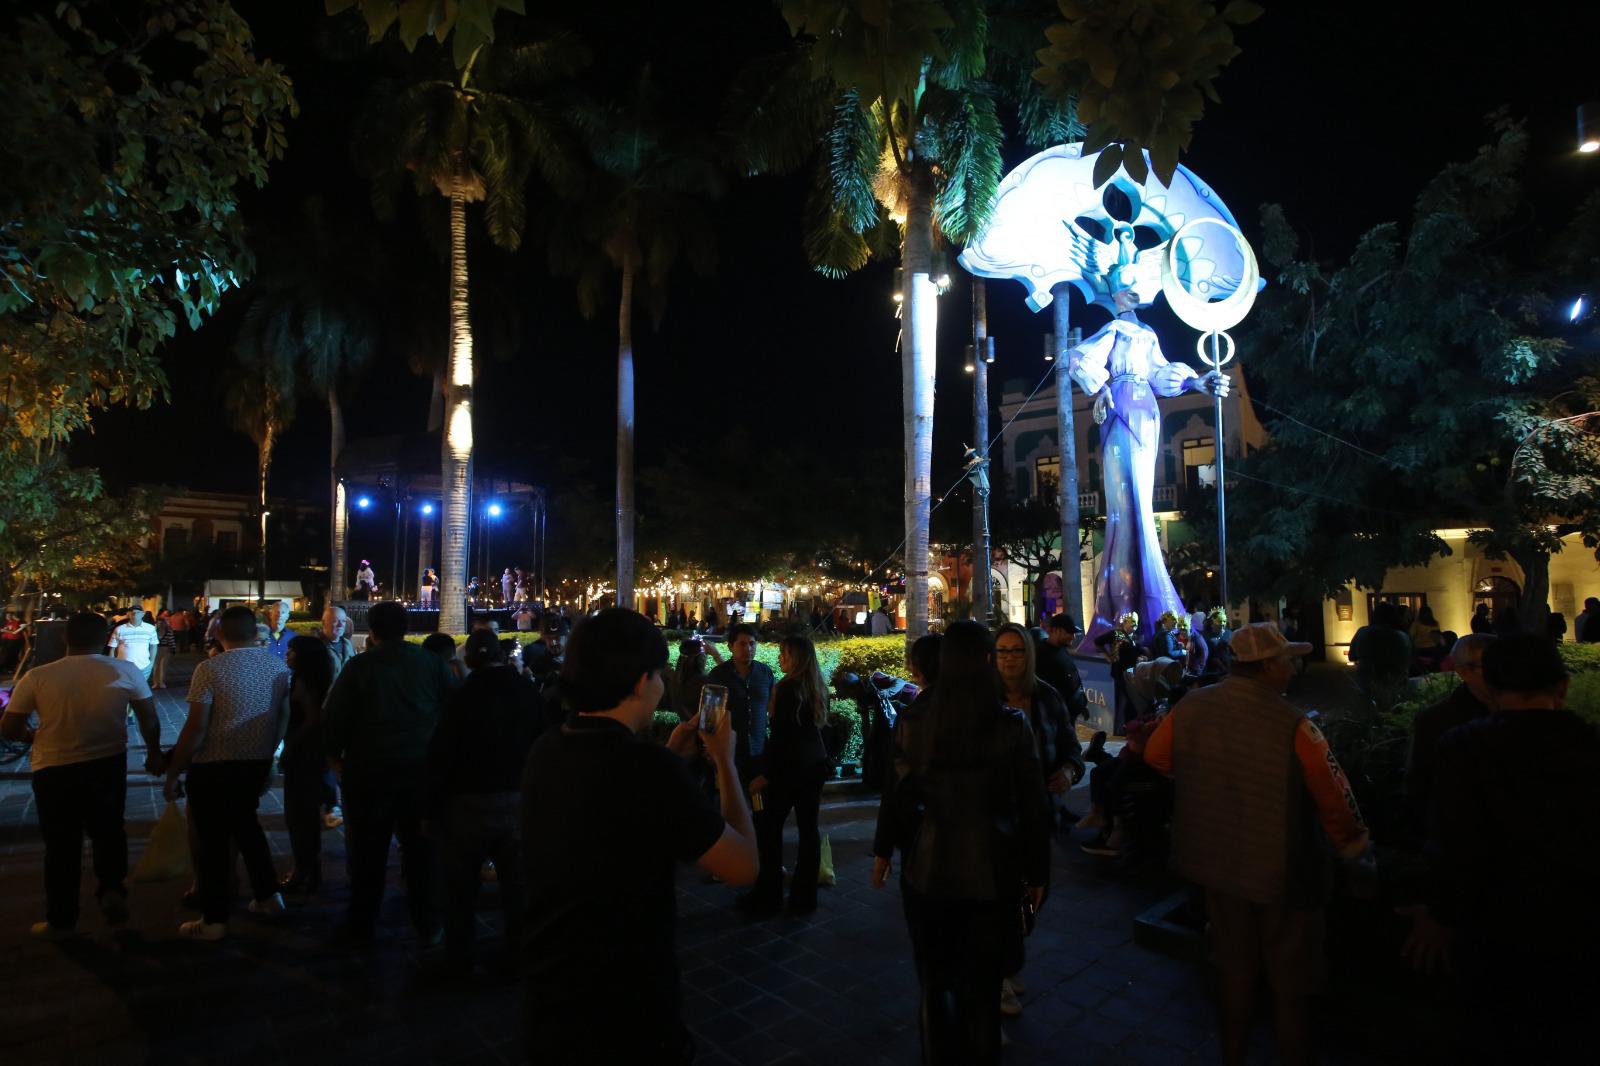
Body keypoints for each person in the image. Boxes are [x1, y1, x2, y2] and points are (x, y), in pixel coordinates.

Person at [521, 608, 758, 1063]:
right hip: (625, 1007)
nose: (663, 683)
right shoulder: (647, 770)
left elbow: (612, 813)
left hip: (550, 990)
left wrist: (668, 756)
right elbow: (743, 866)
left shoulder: (548, 747)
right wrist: (725, 762)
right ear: (638, 682)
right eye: (658, 672)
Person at [1144, 622, 1370, 1066]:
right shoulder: (1295, 724)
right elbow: (1336, 800)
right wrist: (1355, 849)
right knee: (1290, 983)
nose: (1293, 668)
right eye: (1287, 660)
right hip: (1281, 871)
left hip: (1216, 866)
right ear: (1267, 666)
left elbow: (1155, 755)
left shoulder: (1192, 707)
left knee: (1234, 973)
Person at [871, 620, 1051, 1066]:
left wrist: (884, 849)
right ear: (987, 660)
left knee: (935, 986)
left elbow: (898, 797)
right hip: (993, 869)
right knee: (983, 995)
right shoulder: (1010, 725)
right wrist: (1037, 872)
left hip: (929, 869)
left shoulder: (914, 723)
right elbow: (1032, 807)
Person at [1424, 634, 1600, 1064]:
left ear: (1492, 688)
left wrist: (1440, 913)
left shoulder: (1462, 748)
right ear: (1562, 686)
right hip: (1580, 932)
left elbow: (1454, 846)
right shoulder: (1589, 746)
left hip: (1492, 934)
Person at [1, 613, 164, 938]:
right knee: (109, 832)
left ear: (65, 638)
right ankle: (112, 890)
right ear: (106, 639)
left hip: (54, 768)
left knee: (61, 844)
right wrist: (155, 753)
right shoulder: (124, 669)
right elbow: (149, 718)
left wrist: (31, 736)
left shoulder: (38, 676)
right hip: (107, 763)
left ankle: (62, 919)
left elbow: (9, 726)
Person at [323, 601, 457, 945]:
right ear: (406, 626)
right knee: (420, 851)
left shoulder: (359, 667)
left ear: (373, 629)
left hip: (369, 773)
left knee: (367, 853)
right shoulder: (429, 663)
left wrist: (334, 759)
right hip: (420, 773)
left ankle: (363, 923)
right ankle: (428, 923)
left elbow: (335, 718)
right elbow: (454, 710)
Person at [163, 606, 292, 940]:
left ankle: (214, 919)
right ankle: (269, 897)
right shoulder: (277, 667)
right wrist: (268, 755)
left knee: (213, 844)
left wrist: (175, 769)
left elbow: (196, 727)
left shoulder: (209, 669)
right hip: (253, 763)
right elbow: (282, 717)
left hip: (214, 766)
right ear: (255, 632)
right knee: (249, 831)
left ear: (219, 633)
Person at [427, 629, 544, 973]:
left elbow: (441, 753)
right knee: (517, 886)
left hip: (467, 803)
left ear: (469, 660)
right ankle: (518, 955)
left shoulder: (461, 696)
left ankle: (460, 957)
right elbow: (543, 738)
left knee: (461, 889)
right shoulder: (525, 690)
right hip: (517, 798)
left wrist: (432, 807)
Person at [992, 622, 1084, 1016]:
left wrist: (1068, 772)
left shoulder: (1047, 698)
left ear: (1029, 655)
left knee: (1033, 892)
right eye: (1002, 651)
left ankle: (1008, 962)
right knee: (998, 897)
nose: (1010, 658)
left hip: (1039, 814)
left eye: (1017, 651)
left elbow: (1072, 750)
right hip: (995, 817)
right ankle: (998, 973)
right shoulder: (983, 702)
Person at [742, 636, 833, 917]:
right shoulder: (815, 687)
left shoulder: (786, 689)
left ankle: (769, 894)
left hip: (788, 771)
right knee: (808, 830)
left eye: (784, 653)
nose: (780, 658)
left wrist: (765, 775)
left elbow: (781, 739)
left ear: (796, 658)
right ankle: (803, 898)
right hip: (813, 766)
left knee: (768, 829)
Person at [706, 623, 773, 787]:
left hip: (759, 750)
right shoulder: (718, 675)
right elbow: (709, 717)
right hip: (731, 752)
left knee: (759, 803)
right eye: (742, 644)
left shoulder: (764, 673)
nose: (748, 648)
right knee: (732, 798)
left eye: (752, 643)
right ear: (731, 646)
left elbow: (772, 707)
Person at [1349, 601, 1411, 711]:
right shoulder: (1401, 635)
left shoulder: (1362, 632)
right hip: (1394, 681)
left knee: (1368, 713)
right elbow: (1408, 659)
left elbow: (1352, 656)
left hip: (1367, 680)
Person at [1033, 613, 1088, 725]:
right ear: (1055, 631)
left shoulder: (1061, 649)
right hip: (1056, 720)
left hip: (1068, 716)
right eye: (1069, 633)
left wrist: (1081, 705)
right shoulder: (1041, 655)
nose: (1073, 637)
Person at [1094, 610, 1143, 734]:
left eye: (1135, 625)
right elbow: (1098, 642)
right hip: (1120, 672)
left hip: (1130, 673)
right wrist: (1108, 657)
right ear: (1125, 623)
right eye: (1131, 624)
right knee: (1122, 701)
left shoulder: (1131, 637)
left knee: (1129, 701)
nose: (1134, 627)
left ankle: (1128, 727)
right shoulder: (1115, 634)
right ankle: (1120, 729)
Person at [108, 606, 159, 681]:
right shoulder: (120, 629)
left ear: (143, 614)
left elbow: (154, 646)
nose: (135, 614)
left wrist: (151, 663)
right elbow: (112, 648)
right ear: (128, 614)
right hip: (123, 667)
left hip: (144, 667)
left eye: (138, 613)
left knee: (140, 690)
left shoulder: (150, 628)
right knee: (125, 690)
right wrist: (113, 665)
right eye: (132, 613)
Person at [1409, 604, 1444, 670]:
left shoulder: (1416, 623)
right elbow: (1438, 634)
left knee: (1421, 668)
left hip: (1420, 649)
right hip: (1433, 648)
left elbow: (1410, 635)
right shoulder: (1435, 623)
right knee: (1433, 668)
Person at [0, 610, 24, 675]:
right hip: (5, 640)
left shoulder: (16, 622)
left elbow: (15, 632)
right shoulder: (5, 622)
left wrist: (5, 630)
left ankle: (10, 669)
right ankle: (4, 668)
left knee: (11, 654)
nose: (8, 617)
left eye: (9, 615)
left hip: (14, 640)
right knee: (5, 654)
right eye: (7, 615)